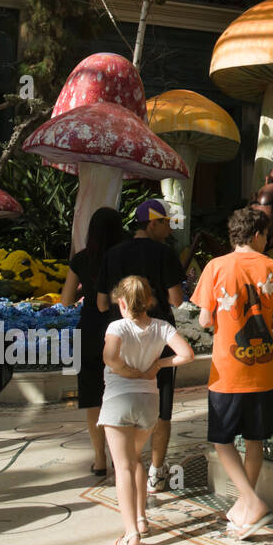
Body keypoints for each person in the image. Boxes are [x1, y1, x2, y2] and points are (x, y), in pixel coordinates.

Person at [193, 206, 273, 539]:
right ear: (256, 235)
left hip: (227, 371)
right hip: (264, 371)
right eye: (267, 235)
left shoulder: (215, 266)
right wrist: (272, 322)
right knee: (255, 441)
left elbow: (205, 321)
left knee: (222, 441)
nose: (268, 241)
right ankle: (245, 506)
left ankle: (251, 503)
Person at [99, 274, 195, 545]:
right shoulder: (162, 327)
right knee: (136, 460)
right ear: (149, 301)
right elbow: (186, 355)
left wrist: (126, 371)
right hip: (148, 401)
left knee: (123, 467)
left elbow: (109, 357)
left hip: (119, 398)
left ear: (122, 303)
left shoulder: (118, 326)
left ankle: (131, 535)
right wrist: (158, 365)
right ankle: (141, 519)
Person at [98, 199, 185, 495]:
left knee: (117, 402)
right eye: (165, 223)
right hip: (157, 339)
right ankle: (155, 473)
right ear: (152, 223)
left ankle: (123, 465)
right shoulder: (164, 253)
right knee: (162, 411)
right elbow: (176, 299)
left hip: (120, 338)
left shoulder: (112, 254)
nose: (169, 229)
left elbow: (100, 301)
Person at [62, 206, 128, 475]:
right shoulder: (125, 257)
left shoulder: (81, 259)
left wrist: (85, 290)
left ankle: (100, 459)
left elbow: (65, 300)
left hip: (87, 331)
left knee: (92, 398)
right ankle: (121, 458)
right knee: (121, 394)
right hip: (120, 330)